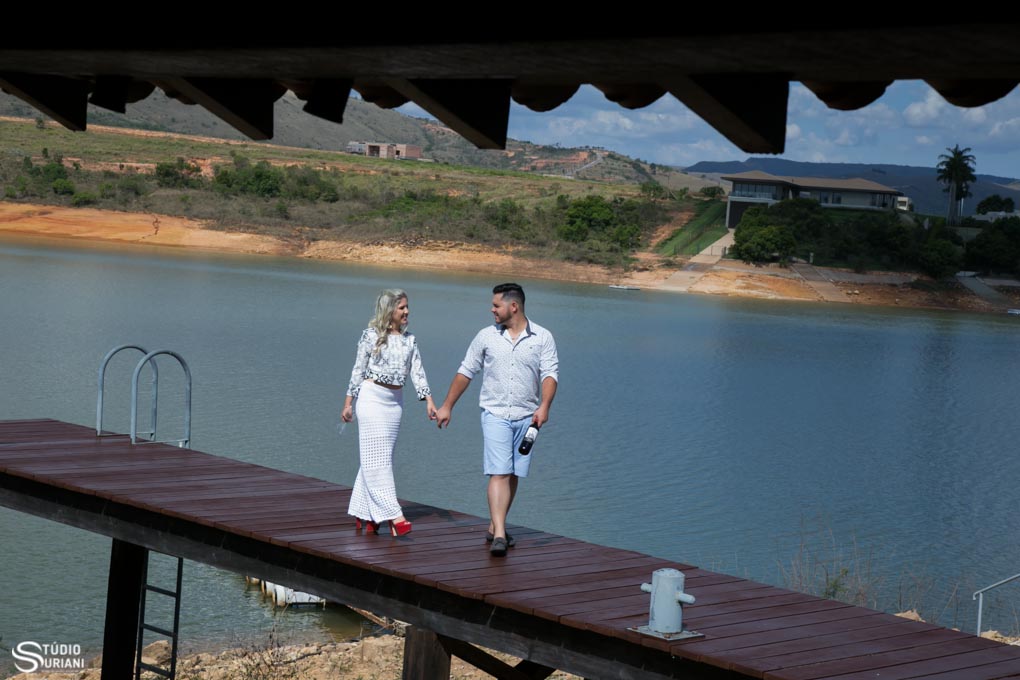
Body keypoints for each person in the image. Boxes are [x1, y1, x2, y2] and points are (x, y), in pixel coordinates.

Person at [435, 283, 558, 556]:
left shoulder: (542, 337)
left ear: (513, 306)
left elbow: (550, 374)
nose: (491, 309)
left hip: (528, 416)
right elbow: (466, 371)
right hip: (495, 414)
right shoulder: (486, 337)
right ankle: (500, 534)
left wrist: (545, 405)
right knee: (499, 471)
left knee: (513, 473)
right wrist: (447, 406)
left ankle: (494, 526)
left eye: (496, 305)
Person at [342, 289, 436, 536]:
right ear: (389, 311)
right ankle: (395, 517)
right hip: (371, 398)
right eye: (402, 307)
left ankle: (367, 514)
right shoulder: (370, 335)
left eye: (407, 307)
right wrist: (348, 403)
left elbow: (418, 372)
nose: (407, 312)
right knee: (378, 460)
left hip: (395, 402)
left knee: (378, 458)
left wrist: (428, 400)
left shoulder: (409, 340)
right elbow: (358, 369)